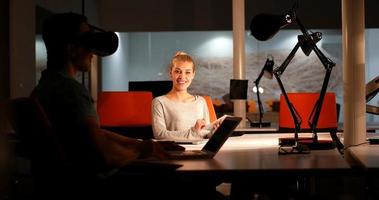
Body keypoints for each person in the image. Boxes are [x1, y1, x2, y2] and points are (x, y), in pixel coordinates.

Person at [29, 12, 229, 200]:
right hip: (99, 186)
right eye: (88, 43)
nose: (92, 52)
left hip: (69, 184)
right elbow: (102, 154)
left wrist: (144, 145)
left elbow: (96, 135)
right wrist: (145, 152)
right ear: (72, 49)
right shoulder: (71, 92)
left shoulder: (44, 88)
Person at [152, 51, 224, 140]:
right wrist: (193, 132)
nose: (182, 76)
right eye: (178, 71)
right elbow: (159, 134)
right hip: (176, 151)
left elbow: (204, 133)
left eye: (188, 72)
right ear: (171, 73)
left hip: (200, 151)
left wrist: (214, 131)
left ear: (193, 74)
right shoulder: (159, 102)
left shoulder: (201, 101)